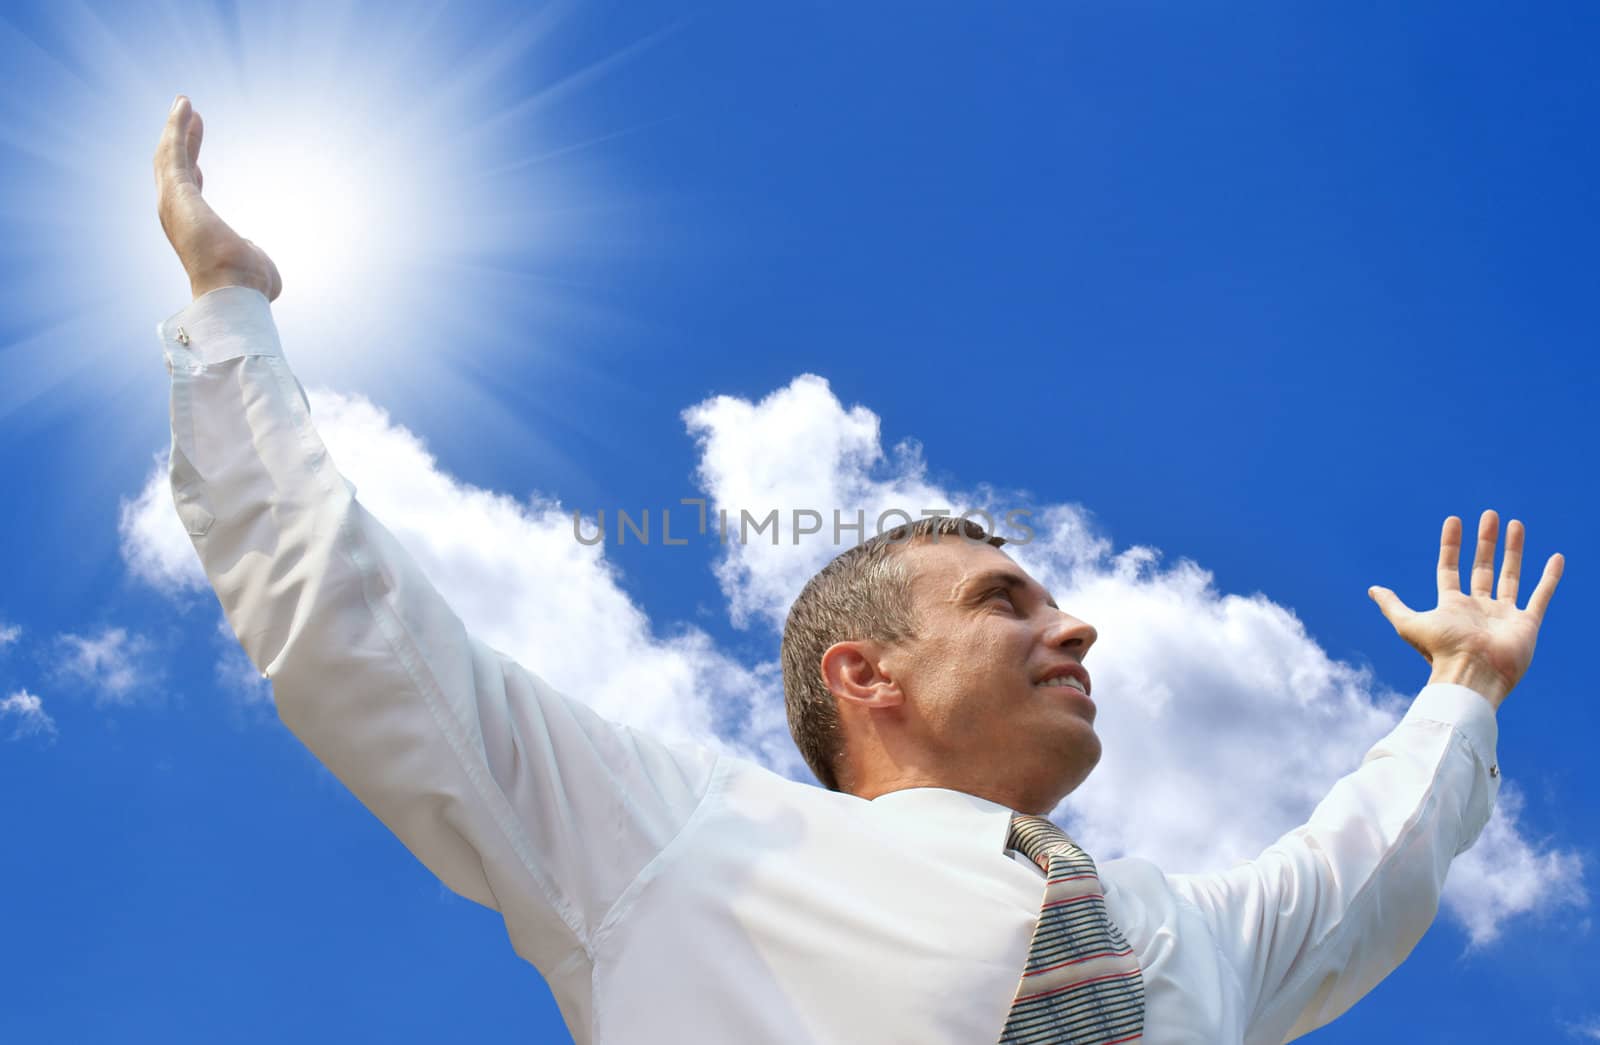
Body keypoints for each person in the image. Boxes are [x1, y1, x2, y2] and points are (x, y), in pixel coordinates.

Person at [151, 96, 1565, 1045]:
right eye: (1003, 599)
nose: (1077, 628)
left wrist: (1462, 689)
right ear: (863, 672)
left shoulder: (1172, 928)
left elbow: (1360, 870)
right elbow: (366, 636)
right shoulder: (680, 840)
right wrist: (232, 311)